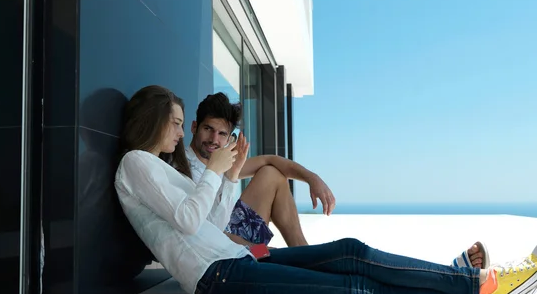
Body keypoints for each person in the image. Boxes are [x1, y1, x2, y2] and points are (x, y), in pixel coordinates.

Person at [115, 85, 537, 294]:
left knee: (352, 252)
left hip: (237, 261)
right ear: (155, 121)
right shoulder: (136, 163)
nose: (177, 134)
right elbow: (190, 223)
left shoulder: (158, 167)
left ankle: (475, 287)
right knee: (354, 291)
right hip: (219, 280)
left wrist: (226, 177)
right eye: (175, 123)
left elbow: (211, 218)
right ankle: (485, 289)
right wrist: (217, 173)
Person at [186, 92, 490, 270]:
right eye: (209, 130)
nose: (214, 140)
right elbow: (195, 225)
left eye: (222, 134)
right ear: (193, 127)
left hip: (235, 228)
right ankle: (451, 273)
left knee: (271, 173)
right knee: (346, 260)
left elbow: (270, 161)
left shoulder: (225, 159)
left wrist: (312, 178)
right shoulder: (180, 167)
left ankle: (304, 253)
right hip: (225, 244)